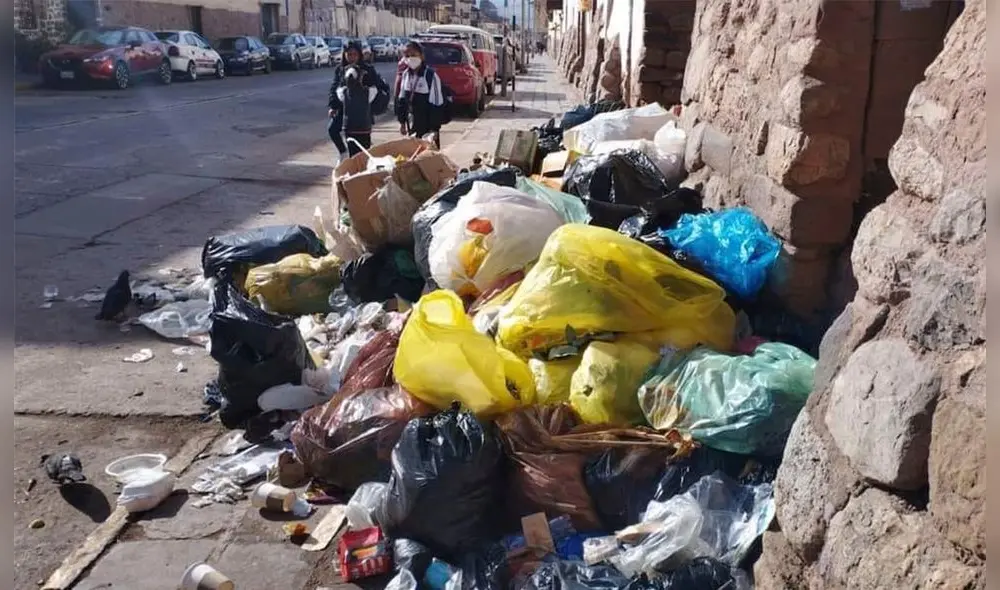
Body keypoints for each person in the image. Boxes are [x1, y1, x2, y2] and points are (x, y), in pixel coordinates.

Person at [328, 40, 388, 158]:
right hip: (345, 110)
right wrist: (333, 106)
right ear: (344, 55)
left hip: (362, 113)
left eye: (354, 54)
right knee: (332, 129)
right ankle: (343, 152)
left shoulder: (367, 69)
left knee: (362, 146)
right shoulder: (340, 70)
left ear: (359, 55)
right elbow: (335, 87)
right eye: (349, 54)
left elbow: (377, 87)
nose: (352, 57)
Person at [395, 41, 446, 149]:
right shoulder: (406, 75)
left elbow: (437, 104)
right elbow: (402, 100)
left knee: (429, 160)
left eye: (413, 55)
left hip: (427, 127)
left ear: (422, 56)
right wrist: (402, 123)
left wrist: (434, 129)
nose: (410, 59)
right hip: (412, 126)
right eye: (407, 56)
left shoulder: (430, 76)